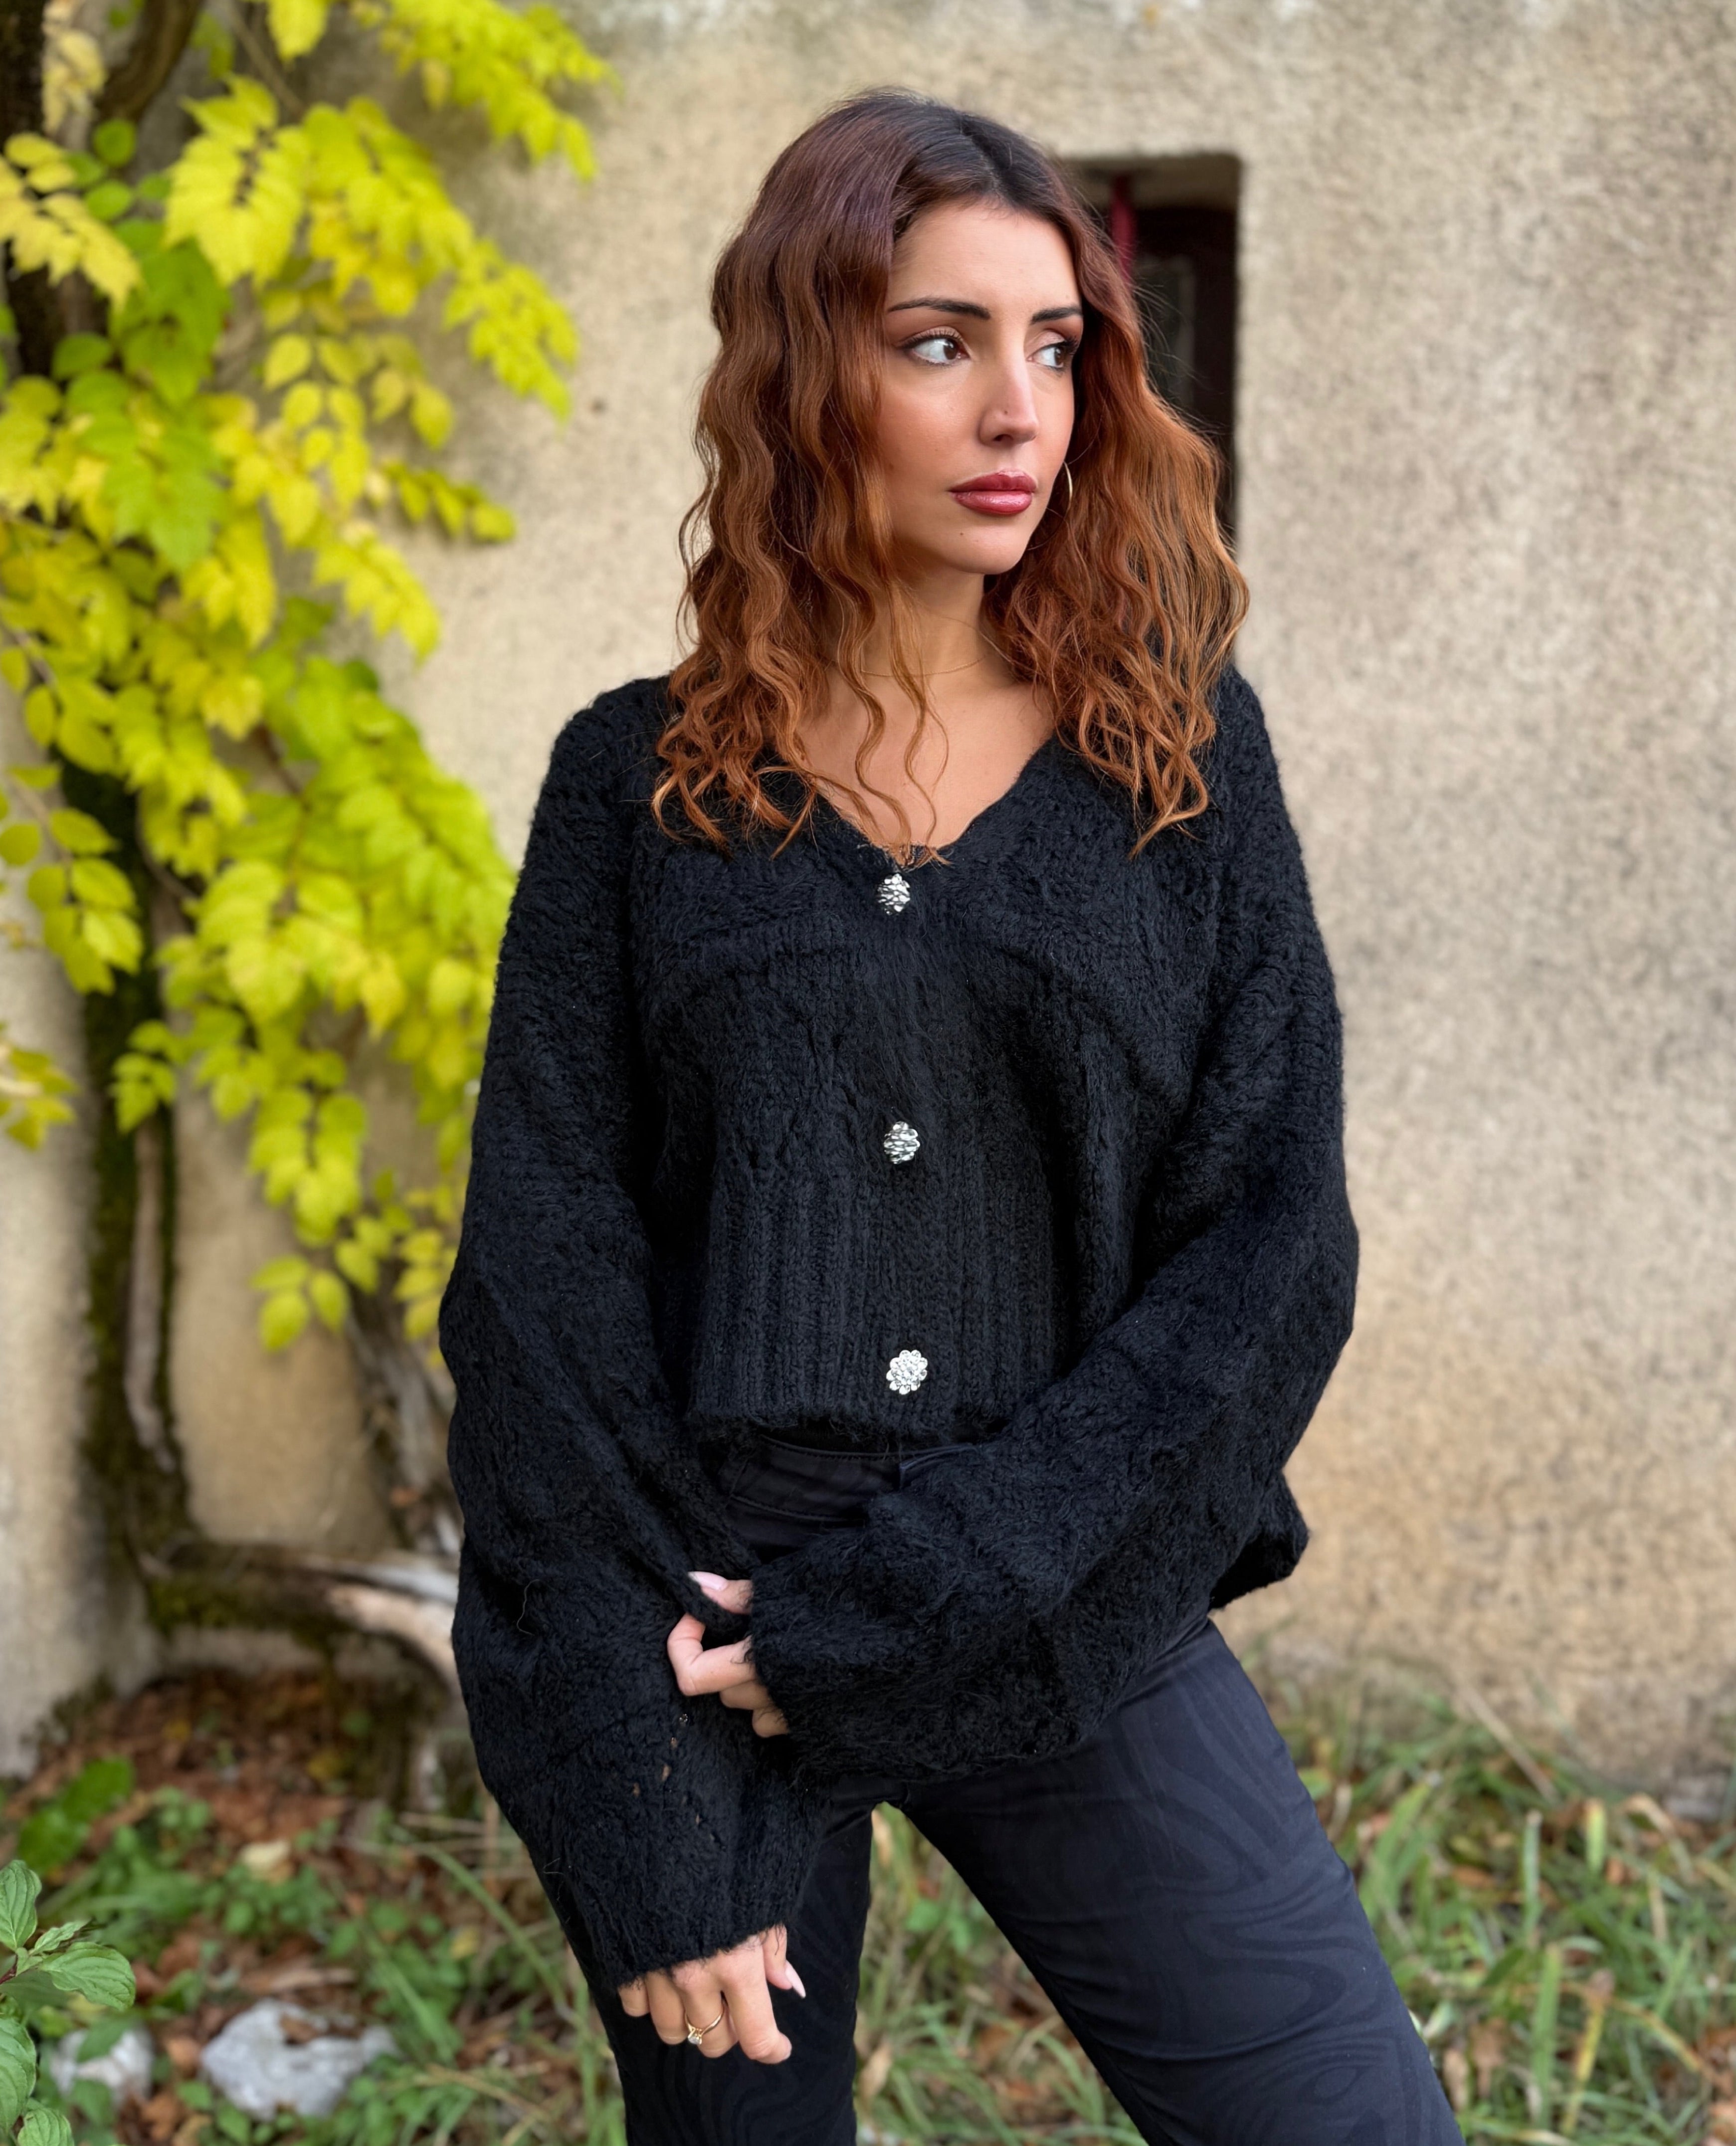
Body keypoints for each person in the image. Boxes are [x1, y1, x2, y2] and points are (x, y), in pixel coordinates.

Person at [439, 87, 1462, 2146]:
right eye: (938, 342)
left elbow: (1272, 1248)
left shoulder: (1175, 763)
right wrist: (640, 1794)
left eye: (1055, 346)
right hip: (704, 1632)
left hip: (1059, 1575)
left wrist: (941, 1582)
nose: (1018, 409)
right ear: (806, 370)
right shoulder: (634, 791)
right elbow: (542, 1294)